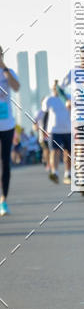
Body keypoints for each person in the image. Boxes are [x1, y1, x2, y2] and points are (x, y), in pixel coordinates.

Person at [0, 47, 20, 216]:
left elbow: (16, 87)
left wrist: (4, 68)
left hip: (7, 125)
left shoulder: (8, 72)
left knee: (5, 163)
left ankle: (3, 200)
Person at [42, 81, 71, 185]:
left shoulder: (69, 97)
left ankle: (68, 173)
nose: (57, 89)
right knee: (55, 151)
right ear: (52, 88)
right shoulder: (49, 100)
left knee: (68, 153)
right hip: (54, 130)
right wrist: (44, 130)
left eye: (59, 87)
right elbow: (45, 116)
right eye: (55, 87)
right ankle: (55, 173)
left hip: (69, 130)